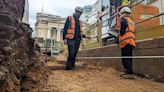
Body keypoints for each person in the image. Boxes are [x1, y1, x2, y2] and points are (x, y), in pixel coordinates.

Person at [118, 7, 136, 79]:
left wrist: (118, 32)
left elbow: (122, 32)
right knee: (129, 57)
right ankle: (128, 71)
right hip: (131, 41)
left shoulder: (123, 19)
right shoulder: (131, 21)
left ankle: (129, 73)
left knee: (125, 57)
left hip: (126, 41)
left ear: (123, 13)